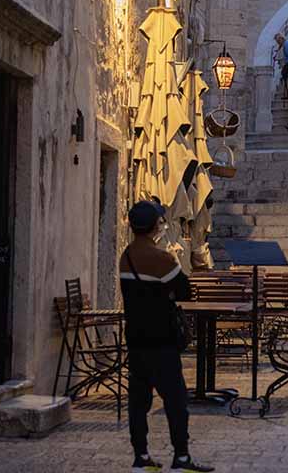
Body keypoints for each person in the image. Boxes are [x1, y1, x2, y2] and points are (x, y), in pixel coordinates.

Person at [120, 201, 214, 473]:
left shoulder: (126, 256)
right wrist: (167, 293)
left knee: (138, 403)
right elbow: (184, 291)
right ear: (155, 226)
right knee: (175, 402)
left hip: (135, 339)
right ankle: (181, 458)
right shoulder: (162, 259)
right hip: (161, 340)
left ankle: (141, 456)